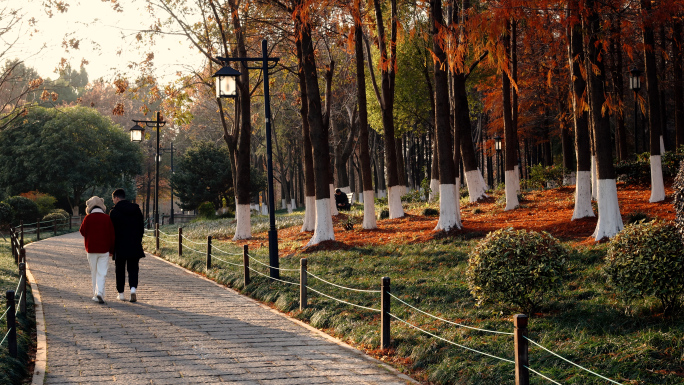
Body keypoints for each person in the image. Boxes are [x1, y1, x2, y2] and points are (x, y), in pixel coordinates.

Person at [109, 188, 145, 302]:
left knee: (120, 269)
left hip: (120, 245)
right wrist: (138, 240)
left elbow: (111, 230)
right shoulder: (136, 209)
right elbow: (141, 228)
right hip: (134, 244)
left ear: (116, 198)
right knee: (133, 268)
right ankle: (133, 289)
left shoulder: (114, 212)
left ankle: (121, 293)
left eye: (113, 199)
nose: (113, 202)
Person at [79, 196, 115, 304]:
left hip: (91, 249)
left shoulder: (87, 218)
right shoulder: (107, 218)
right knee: (102, 272)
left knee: (93, 271)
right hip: (104, 249)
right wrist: (111, 250)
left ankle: (95, 294)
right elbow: (112, 235)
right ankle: (100, 292)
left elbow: (82, 231)